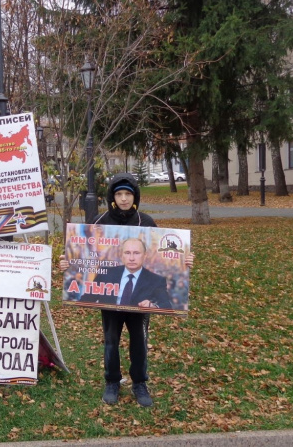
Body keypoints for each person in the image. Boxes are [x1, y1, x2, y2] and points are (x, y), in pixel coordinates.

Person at [58, 172, 194, 408]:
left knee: (139, 341)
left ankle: (139, 382)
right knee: (111, 339)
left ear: (135, 197)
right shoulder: (100, 221)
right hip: (111, 296)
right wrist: (66, 263)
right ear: (112, 196)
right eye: (119, 194)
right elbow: (82, 254)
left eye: (128, 194)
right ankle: (112, 381)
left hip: (140, 299)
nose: (123, 199)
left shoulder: (146, 222)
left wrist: (184, 260)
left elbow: (164, 252)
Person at [103, 238, 171, 309]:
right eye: (127, 253)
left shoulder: (156, 280)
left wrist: (153, 306)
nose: (131, 258)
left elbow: (166, 305)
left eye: (136, 253)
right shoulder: (106, 274)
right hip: (111, 316)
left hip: (138, 317)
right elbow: (91, 297)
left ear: (145, 255)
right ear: (121, 255)